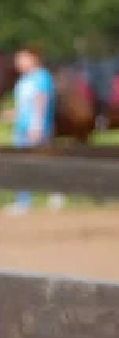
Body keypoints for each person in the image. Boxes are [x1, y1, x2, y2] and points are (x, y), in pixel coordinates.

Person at [7, 45, 56, 213]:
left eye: (22, 58)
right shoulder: (24, 80)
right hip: (21, 128)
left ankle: (54, 193)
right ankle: (24, 201)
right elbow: (22, 107)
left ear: (33, 58)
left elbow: (41, 102)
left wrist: (37, 125)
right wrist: (9, 115)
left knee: (38, 163)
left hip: (35, 129)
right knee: (22, 165)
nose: (18, 62)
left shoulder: (41, 77)